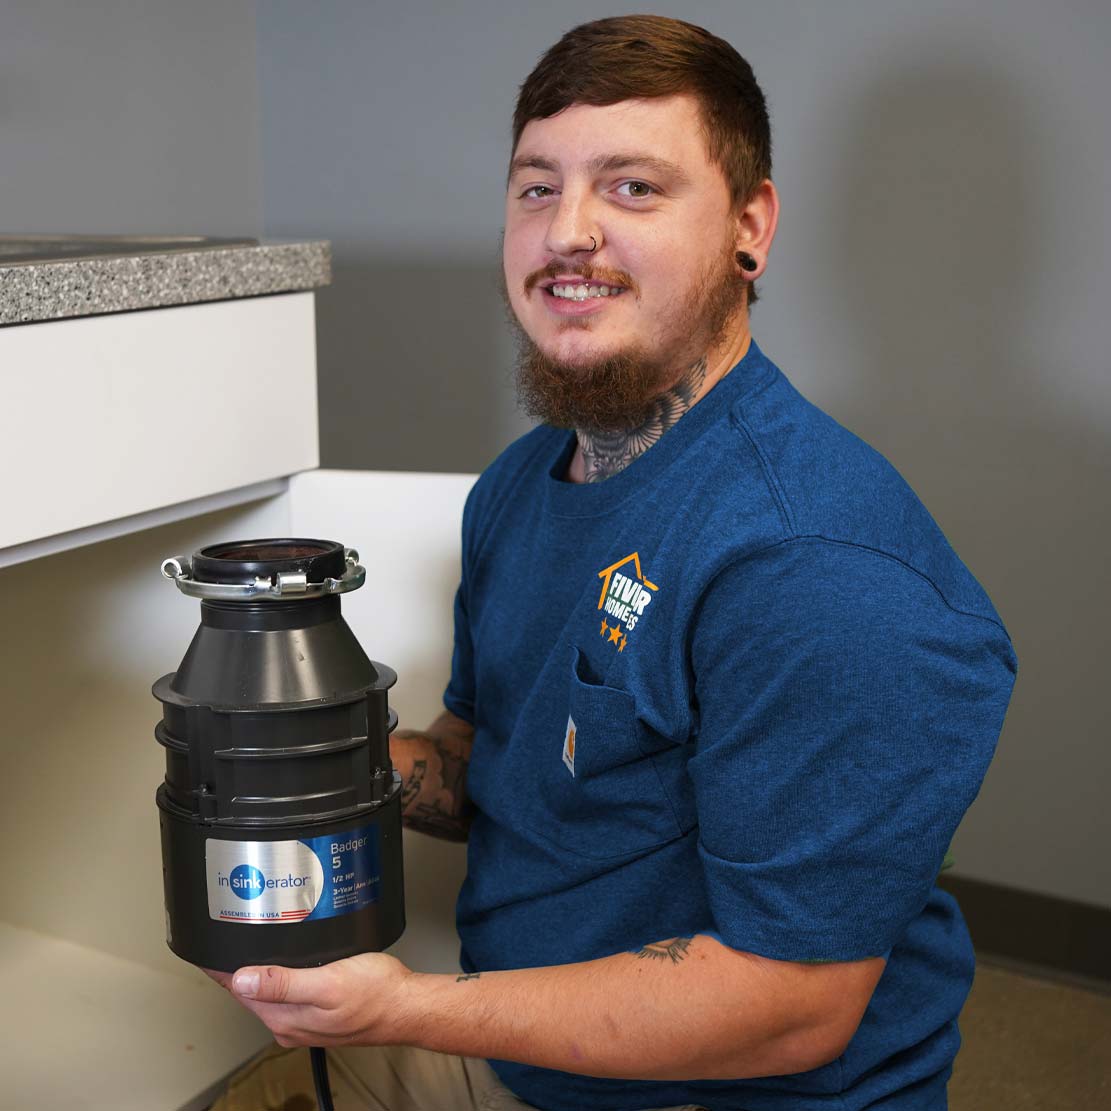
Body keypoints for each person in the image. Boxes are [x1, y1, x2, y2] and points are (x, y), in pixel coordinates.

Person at [208, 15, 1017, 1111]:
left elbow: (789, 1004)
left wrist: (401, 1005)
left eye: (631, 188)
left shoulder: (814, 565)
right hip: (525, 1046)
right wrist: (284, 761)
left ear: (749, 226)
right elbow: (484, 759)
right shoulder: (519, 486)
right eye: (537, 188)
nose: (568, 232)